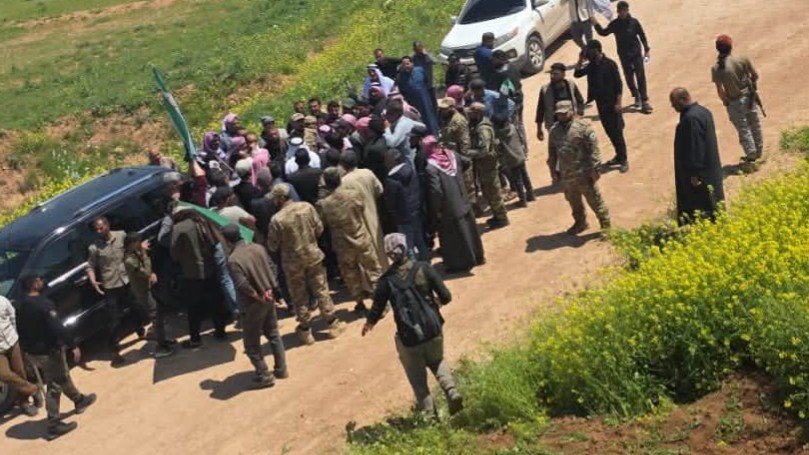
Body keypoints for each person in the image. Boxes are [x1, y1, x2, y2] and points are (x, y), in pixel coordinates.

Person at [362, 234, 463, 417]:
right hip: (433, 330)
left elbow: (377, 308)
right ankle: (451, 390)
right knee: (438, 360)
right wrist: (434, 305)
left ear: (388, 254)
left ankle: (430, 416)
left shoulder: (386, 281)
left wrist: (369, 324)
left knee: (418, 380)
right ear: (405, 247)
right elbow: (446, 296)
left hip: (409, 338)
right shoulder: (423, 268)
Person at [15, 275, 97, 439]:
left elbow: (19, 330)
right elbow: (57, 327)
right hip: (48, 351)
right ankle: (54, 424)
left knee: (61, 375)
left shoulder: (20, 305)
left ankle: (79, 399)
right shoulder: (44, 305)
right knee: (55, 385)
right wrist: (72, 345)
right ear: (34, 284)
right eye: (39, 279)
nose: (42, 281)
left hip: (32, 352)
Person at [266, 184, 344, 345]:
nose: (273, 201)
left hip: (292, 263)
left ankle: (306, 330)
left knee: (298, 295)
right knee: (321, 289)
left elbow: (272, 245)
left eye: (274, 198)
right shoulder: (307, 207)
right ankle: (332, 324)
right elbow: (319, 228)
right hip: (313, 256)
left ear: (281, 198)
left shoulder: (277, 219)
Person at [222, 224, 287, 388]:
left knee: (251, 344)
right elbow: (273, 267)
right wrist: (270, 290)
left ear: (227, 241)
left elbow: (242, 285)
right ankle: (281, 369)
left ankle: (264, 374)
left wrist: (258, 296)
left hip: (251, 305)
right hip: (269, 298)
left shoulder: (233, 260)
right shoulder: (258, 248)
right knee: (273, 334)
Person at [317, 168, 382, 314]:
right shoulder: (354, 195)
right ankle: (380, 303)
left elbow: (322, 223)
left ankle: (359, 304)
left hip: (342, 245)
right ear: (340, 179)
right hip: (360, 238)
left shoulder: (324, 204)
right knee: (373, 270)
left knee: (350, 275)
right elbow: (361, 208)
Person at [548, 101, 611, 234]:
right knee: (573, 201)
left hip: (585, 173)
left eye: (564, 113)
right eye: (559, 114)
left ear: (572, 111)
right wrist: (553, 171)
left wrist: (596, 168)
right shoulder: (554, 131)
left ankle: (605, 225)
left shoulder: (583, 127)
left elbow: (594, 149)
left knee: (595, 200)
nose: (561, 117)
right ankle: (580, 223)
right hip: (567, 175)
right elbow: (552, 153)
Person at [86, 217, 141, 366]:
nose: (99, 231)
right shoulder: (94, 248)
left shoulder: (121, 236)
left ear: (108, 225)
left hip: (126, 279)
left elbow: (132, 251)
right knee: (114, 319)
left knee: (136, 306)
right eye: (97, 229)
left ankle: (141, 331)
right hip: (110, 285)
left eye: (101, 227)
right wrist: (93, 281)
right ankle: (114, 350)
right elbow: (90, 266)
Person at [423, 137, 484, 273]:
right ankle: (478, 257)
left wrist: (437, 209)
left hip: (448, 207)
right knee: (471, 231)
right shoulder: (452, 155)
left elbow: (436, 191)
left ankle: (459, 265)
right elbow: (467, 162)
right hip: (463, 199)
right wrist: (458, 178)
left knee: (453, 237)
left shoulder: (431, 167)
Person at [170, 209, 229, 348]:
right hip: (210, 268)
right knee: (216, 302)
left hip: (192, 273)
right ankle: (220, 332)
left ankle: (195, 339)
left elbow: (174, 254)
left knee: (193, 307)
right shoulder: (202, 221)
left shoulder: (178, 228)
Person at [670, 88, 725, 224]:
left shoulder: (691, 118)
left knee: (703, 206)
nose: (674, 107)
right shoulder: (703, 111)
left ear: (683, 99)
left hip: (701, 174)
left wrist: (694, 173)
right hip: (710, 167)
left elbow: (696, 146)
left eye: (674, 103)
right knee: (713, 201)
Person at [574, 40, 629, 173]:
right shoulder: (592, 66)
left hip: (612, 103)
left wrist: (618, 103)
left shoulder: (610, 64)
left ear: (598, 50)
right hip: (601, 103)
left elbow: (618, 85)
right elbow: (577, 74)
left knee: (617, 132)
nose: (588, 54)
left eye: (590, 51)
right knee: (609, 131)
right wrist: (580, 59)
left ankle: (624, 160)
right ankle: (618, 155)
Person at [711, 34, 763, 165]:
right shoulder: (742, 58)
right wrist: (751, 87)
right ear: (731, 46)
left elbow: (720, 90)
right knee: (755, 123)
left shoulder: (716, 68)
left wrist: (725, 102)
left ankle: (751, 156)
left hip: (734, 101)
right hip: (749, 97)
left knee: (743, 128)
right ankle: (759, 151)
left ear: (717, 49)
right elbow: (755, 75)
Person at [593, 1, 652, 113]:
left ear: (627, 10)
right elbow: (603, 32)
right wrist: (595, 23)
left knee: (640, 75)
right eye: (621, 11)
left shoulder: (634, 22)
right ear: (618, 12)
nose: (623, 13)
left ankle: (644, 100)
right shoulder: (615, 24)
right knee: (629, 77)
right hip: (624, 55)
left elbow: (642, 36)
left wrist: (647, 50)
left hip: (636, 53)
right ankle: (636, 95)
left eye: (625, 10)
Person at [123, 232, 175, 358]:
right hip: (143, 292)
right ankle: (161, 346)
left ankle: (163, 339)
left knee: (159, 314)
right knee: (155, 316)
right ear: (132, 244)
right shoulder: (130, 260)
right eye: (138, 242)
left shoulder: (134, 254)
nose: (140, 244)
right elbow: (145, 271)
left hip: (147, 288)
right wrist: (145, 253)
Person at [340, 150, 387, 269]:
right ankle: (385, 270)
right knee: (379, 246)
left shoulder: (344, 181)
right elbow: (379, 190)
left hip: (357, 221)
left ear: (343, 165)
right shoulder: (368, 173)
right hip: (373, 215)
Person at [466, 102, 509, 229]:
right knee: (487, 191)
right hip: (483, 165)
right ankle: (497, 215)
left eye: (471, 113)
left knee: (493, 192)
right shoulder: (476, 125)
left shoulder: (483, 129)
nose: (469, 115)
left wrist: (467, 153)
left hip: (488, 165)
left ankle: (502, 218)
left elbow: (484, 150)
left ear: (478, 113)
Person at [383, 149, 427, 259]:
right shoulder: (411, 170)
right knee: (419, 239)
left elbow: (390, 203)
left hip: (402, 217)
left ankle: (414, 270)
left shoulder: (391, 180)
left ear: (393, 161)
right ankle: (426, 264)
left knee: (408, 245)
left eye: (386, 160)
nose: (385, 163)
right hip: (416, 210)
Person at [0, 295, 39, 416]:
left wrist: (17, 334)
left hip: (13, 342)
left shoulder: (2, 301)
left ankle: (24, 403)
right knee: (4, 374)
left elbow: (13, 317)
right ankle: (33, 389)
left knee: (20, 372)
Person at [437, 97, 476, 206]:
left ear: (452, 108)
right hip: (451, 156)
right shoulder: (446, 118)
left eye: (444, 108)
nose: (441, 110)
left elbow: (465, 141)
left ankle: (473, 209)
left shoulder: (458, 121)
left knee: (468, 185)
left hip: (460, 157)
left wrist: (464, 160)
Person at [536, 63, 586, 142]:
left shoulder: (571, 85)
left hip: (572, 123)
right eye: (551, 74)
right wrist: (539, 129)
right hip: (554, 126)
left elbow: (580, 100)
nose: (552, 76)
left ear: (563, 74)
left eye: (555, 74)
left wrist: (579, 114)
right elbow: (540, 110)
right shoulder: (545, 90)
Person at [492, 113, 534, 207]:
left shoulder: (498, 134)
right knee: (525, 176)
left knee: (517, 180)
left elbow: (497, 147)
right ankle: (531, 194)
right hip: (520, 155)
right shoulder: (512, 127)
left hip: (511, 159)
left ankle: (522, 200)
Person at [397, 56, 439, 134]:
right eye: (403, 64)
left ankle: (435, 135)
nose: (406, 66)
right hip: (413, 105)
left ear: (412, 63)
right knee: (419, 122)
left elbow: (426, 82)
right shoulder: (400, 77)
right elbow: (401, 92)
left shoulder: (420, 70)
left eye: (407, 64)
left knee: (430, 119)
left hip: (425, 101)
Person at [384, 99, 423, 163]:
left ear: (396, 114)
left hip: (409, 161)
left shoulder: (402, 124)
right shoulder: (401, 122)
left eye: (389, 114)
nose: (386, 116)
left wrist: (387, 128)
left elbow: (391, 143)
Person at [412, 41, 438, 112]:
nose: (418, 52)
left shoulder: (428, 55)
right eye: (416, 50)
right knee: (425, 105)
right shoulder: (413, 58)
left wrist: (426, 54)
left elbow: (435, 61)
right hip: (421, 85)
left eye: (419, 49)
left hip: (430, 84)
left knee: (434, 104)